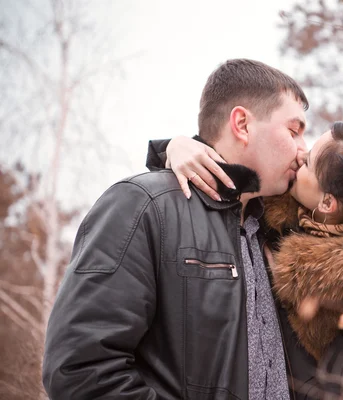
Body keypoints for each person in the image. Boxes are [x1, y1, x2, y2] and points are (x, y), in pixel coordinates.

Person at [42, 59, 310, 400]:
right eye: (294, 130)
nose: (304, 150)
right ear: (242, 124)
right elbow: (80, 370)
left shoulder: (275, 231)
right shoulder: (143, 206)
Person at [150, 122, 343, 399]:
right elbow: (215, 172)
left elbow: (342, 390)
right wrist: (178, 147)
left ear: (327, 202)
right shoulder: (281, 203)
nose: (298, 155)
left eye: (308, 162)